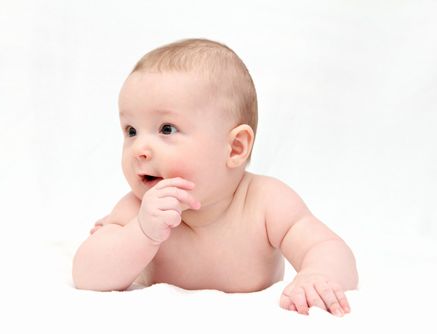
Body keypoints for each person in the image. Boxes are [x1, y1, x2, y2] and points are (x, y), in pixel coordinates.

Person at [73, 38, 358, 317]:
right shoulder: (137, 211)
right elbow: (86, 275)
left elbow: (328, 248)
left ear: (234, 147)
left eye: (167, 129)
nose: (139, 149)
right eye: (131, 131)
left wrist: (317, 275)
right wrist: (140, 234)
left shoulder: (266, 203)